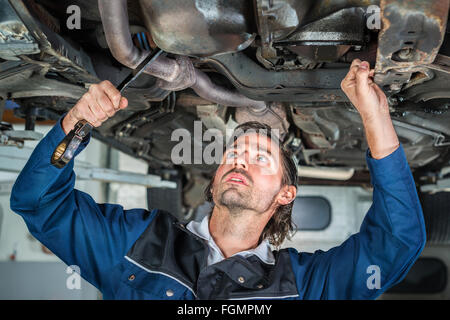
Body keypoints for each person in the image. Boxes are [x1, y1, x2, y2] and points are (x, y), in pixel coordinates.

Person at [10, 59, 426, 299]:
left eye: (260, 156)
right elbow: (40, 206)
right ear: (214, 182)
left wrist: (375, 114)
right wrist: (75, 124)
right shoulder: (134, 241)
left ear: (286, 194)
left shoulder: (304, 283)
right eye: (233, 153)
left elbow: (396, 243)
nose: (240, 160)